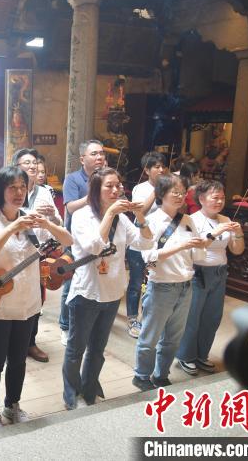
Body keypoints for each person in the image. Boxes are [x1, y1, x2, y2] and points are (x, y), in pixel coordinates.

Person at [0, 166, 72, 429]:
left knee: (17, 360)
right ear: (0, 191)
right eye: (12, 187)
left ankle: (12, 404)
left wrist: (47, 223)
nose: (19, 192)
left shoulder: (30, 218)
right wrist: (11, 227)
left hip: (27, 303)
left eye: (22, 187)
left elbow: (67, 240)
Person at [63, 167, 153, 409]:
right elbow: (94, 246)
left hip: (113, 292)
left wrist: (141, 216)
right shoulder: (82, 215)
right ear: (96, 189)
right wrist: (111, 213)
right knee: (76, 348)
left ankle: (89, 390)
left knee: (97, 349)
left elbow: (146, 242)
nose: (115, 190)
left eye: (118, 185)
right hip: (87, 292)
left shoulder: (123, 218)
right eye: (109, 186)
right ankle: (71, 393)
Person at [133, 174, 206, 391]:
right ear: (161, 194)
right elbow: (148, 257)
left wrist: (202, 244)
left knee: (173, 338)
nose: (180, 196)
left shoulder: (188, 220)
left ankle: (161, 374)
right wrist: (181, 247)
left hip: (185, 285)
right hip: (161, 286)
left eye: (183, 192)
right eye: (174, 192)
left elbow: (199, 257)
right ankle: (141, 375)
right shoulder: (152, 221)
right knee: (150, 337)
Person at [176, 180, 244, 375]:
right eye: (215, 197)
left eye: (222, 198)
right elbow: (193, 249)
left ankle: (201, 354)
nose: (219, 201)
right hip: (198, 272)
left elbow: (237, 250)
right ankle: (185, 356)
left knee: (212, 317)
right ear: (202, 199)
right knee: (193, 316)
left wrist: (238, 233)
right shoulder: (191, 220)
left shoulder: (226, 219)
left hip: (220, 272)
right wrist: (215, 234)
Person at [14, 148, 61, 363]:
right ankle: (10, 344)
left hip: (39, 254)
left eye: (34, 162)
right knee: (13, 299)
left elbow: (58, 224)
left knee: (37, 301)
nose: (32, 166)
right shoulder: (10, 190)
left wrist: (52, 217)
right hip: (14, 256)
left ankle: (30, 343)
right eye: (26, 163)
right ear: (17, 167)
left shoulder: (44, 192)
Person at [58, 140, 105, 346]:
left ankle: (90, 322)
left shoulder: (106, 178)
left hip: (100, 237)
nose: (99, 157)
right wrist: (95, 193)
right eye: (94, 154)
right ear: (82, 159)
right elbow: (70, 208)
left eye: (101, 154)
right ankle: (65, 326)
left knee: (95, 277)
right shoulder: (73, 179)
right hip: (75, 239)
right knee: (71, 282)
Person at [125, 151, 167, 339]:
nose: (161, 169)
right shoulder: (140, 189)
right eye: (156, 167)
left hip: (160, 243)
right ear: (147, 170)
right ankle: (132, 319)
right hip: (139, 242)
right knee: (135, 282)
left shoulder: (168, 187)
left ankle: (150, 318)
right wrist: (157, 190)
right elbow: (139, 212)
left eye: (162, 166)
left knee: (154, 282)